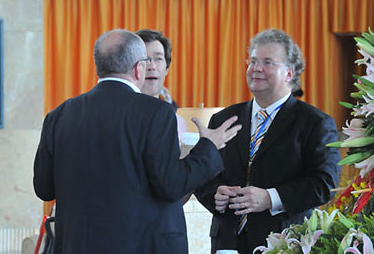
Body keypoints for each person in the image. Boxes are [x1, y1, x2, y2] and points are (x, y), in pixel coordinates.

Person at [33, 29, 242, 254]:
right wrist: (208, 148)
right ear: (138, 67)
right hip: (140, 245)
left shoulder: (59, 115)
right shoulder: (155, 113)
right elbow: (170, 186)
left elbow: (44, 188)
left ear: (98, 65)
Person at [195, 29, 341, 254]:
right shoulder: (223, 119)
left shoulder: (315, 122)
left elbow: (325, 184)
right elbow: (203, 175)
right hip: (227, 241)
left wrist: (271, 198)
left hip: (285, 241)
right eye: (252, 61)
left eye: (268, 62)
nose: (256, 69)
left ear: (289, 73)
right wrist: (215, 193)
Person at [135, 29, 188, 140]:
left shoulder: (178, 123)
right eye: (144, 59)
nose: (151, 66)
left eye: (158, 58)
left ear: (166, 69)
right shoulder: (119, 117)